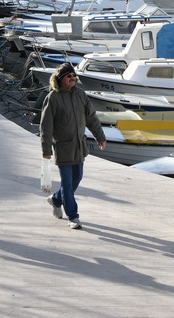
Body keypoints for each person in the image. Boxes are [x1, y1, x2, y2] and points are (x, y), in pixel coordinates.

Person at [40, 62, 106, 230]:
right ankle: (73, 216)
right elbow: (46, 126)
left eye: (74, 76)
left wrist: (100, 136)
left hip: (79, 146)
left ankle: (55, 199)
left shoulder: (80, 95)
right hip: (63, 147)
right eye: (69, 76)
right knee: (67, 184)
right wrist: (46, 150)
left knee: (77, 179)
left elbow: (91, 118)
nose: (73, 79)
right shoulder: (53, 98)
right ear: (60, 79)